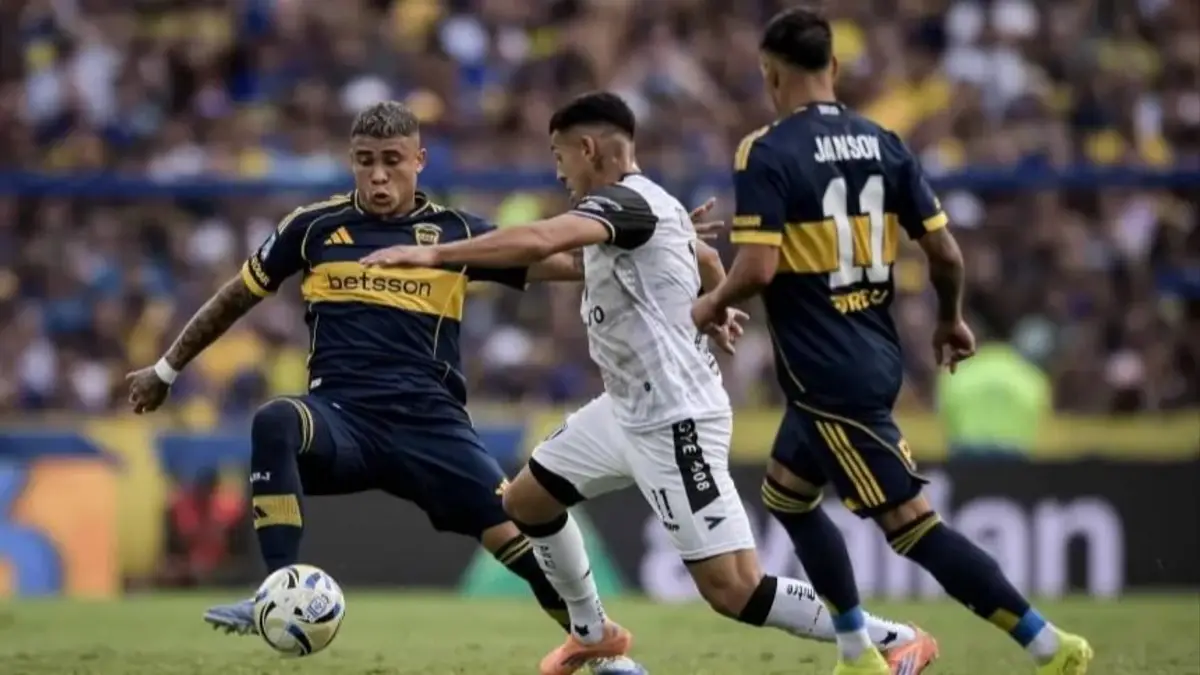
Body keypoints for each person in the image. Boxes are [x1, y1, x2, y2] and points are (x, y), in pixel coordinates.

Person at [362, 91, 937, 675]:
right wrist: (715, 298)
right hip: (624, 409)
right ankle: (593, 633)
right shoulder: (647, 209)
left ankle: (893, 638)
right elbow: (698, 255)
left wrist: (433, 256)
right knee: (526, 501)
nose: (559, 173)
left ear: (588, 148)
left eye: (560, 157)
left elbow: (539, 240)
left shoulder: (625, 203)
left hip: (676, 420)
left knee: (734, 588)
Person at [124, 100, 701, 675]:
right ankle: (275, 593)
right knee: (275, 420)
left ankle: (605, 658)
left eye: (392, 160)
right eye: (365, 161)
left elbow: (574, 263)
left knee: (527, 547)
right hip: (342, 420)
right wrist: (166, 370)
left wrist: (664, 240)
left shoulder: (456, 234)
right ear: (351, 162)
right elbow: (235, 296)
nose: (379, 175)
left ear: (419, 160)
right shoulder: (312, 228)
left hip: (433, 428)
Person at [691, 8, 1093, 675]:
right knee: (787, 496)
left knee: (913, 526)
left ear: (770, 75)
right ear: (834, 67)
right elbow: (946, 252)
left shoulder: (765, 151)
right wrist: (950, 318)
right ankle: (857, 650)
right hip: (873, 352)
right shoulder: (884, 141)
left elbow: (758, 269)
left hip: (826, 372)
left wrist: (709, 304)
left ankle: (1048, 644)